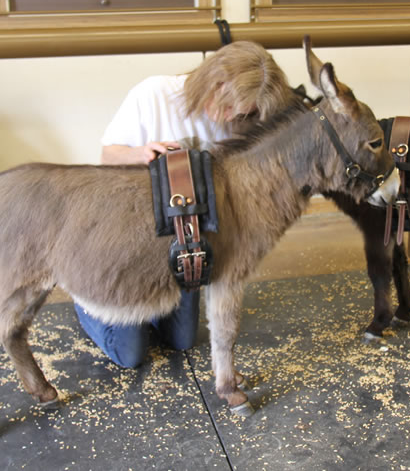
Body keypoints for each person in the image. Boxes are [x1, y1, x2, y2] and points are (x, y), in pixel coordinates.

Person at [75, 40, 294, 368]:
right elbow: (107, 156)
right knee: (131, 354)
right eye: (229, 106)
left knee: (181, 341)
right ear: (215, 81)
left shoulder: (240, 119)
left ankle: (149, 305)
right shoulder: (154, 94)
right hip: (131, 243)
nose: (230, 117)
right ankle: (86, 300)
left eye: (243, 112)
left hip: (183, 242)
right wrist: (141, 153)